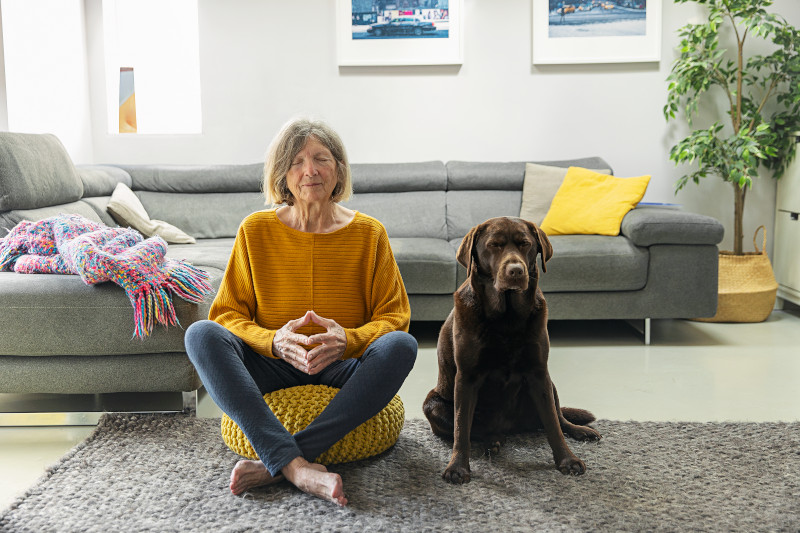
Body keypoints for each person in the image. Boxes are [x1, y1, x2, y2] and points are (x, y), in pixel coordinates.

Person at [185, 118, 417, 506]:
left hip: (342, 366)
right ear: (282, 175)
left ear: (338, 170)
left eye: (321, 159)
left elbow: (395, 317)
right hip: (270, 364)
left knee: (402, 346)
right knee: (200, 335)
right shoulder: (255, 230)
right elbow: (225, 314)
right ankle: (297, 467)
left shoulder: (369, 233)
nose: (309, 170)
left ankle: (274, 462)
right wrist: (273, 340)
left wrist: (349, 339)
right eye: (296, 162)